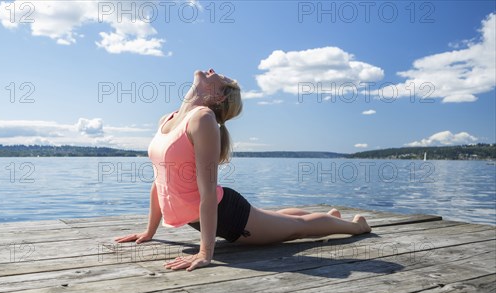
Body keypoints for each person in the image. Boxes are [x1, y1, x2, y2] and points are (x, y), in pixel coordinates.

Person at [114, 69, 371, 272]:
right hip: (216, 211)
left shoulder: (203, 119)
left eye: (221, 77)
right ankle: (331, 216)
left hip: (228, 216)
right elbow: (160, 181)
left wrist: (206, 253)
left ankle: (356, 226)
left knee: (297, 227)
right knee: (278, 217)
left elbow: (206, 194)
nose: (213, 70)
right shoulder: (167, 120)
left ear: (219, 97)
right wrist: (150, 232)